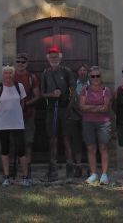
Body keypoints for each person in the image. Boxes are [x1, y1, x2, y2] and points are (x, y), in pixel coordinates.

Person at [40, 46, 78, 181]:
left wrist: (69, 106)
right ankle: (53, 170)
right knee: (52, 139)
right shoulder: (45, 73)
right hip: (51, 108)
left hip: (64, 108)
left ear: (60, 58)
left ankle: (70, 169)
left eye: (56, 56)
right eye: (51, 56)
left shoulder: (66, 71)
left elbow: (73, 90)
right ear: (48, 58)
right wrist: (52, 94)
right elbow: (42, 93)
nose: (53, 59)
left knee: (67, 139)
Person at [0, 65, 31, 187]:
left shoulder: (19, 87)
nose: (8, 75)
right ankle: (6, 177)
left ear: (13, 74)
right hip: (3, 124)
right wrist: (2, 115)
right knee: (5, 150)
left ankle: (25, 177)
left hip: (17, 123)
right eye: (6, 73)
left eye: (10, 73)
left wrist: (16, 114)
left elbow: (22, 102)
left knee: (21, 150)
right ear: (3, 75)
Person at [79, 66, 112, 185]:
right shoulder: (85, 90)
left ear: (101, 77)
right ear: (89, 77)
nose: (95, 78)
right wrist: (97, 107)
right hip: (88, 122)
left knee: (103, 147)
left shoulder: (106, 90)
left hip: (103, 122)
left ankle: (104, 175)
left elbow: (105, 108)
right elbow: (82, 107)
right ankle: (93, 174)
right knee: (91, 148)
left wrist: (90, 108)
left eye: (97, 76)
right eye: (93, 76)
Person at [13, 53, 40, 163]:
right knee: (14, 142)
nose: (20, 64)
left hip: (28, 114)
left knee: (28, 141)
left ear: (27, 64)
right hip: (13, 115)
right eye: (18, 61)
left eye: (23, 62)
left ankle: (27, 167)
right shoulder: (10, 76)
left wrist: (26, 103)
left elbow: (38, 95)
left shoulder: (31, 77)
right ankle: (14, 167)